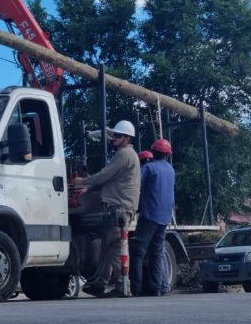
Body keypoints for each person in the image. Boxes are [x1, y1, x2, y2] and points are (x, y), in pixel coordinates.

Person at [71, 120, 140, 297]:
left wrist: (83, 182)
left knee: (116, 248)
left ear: (127, 138)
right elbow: (112, 179)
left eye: (117, 136)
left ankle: (122, 286)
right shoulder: (128, 155)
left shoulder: (123, 155)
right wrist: (91, 188)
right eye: (114, 135)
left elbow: (105, 174)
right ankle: (99, 283)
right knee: (108, 248)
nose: (114, 138)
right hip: (120, 207)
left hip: (119, 208)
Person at [132, 138, 175, 297]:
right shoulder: (170, 169)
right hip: (164, 217)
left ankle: (136, 289)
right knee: (157, 253)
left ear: (154, 152)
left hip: (149, 216)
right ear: (167, 155)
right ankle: (156, 288)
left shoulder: (149, 168)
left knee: (137, 251)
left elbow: (135, 184)